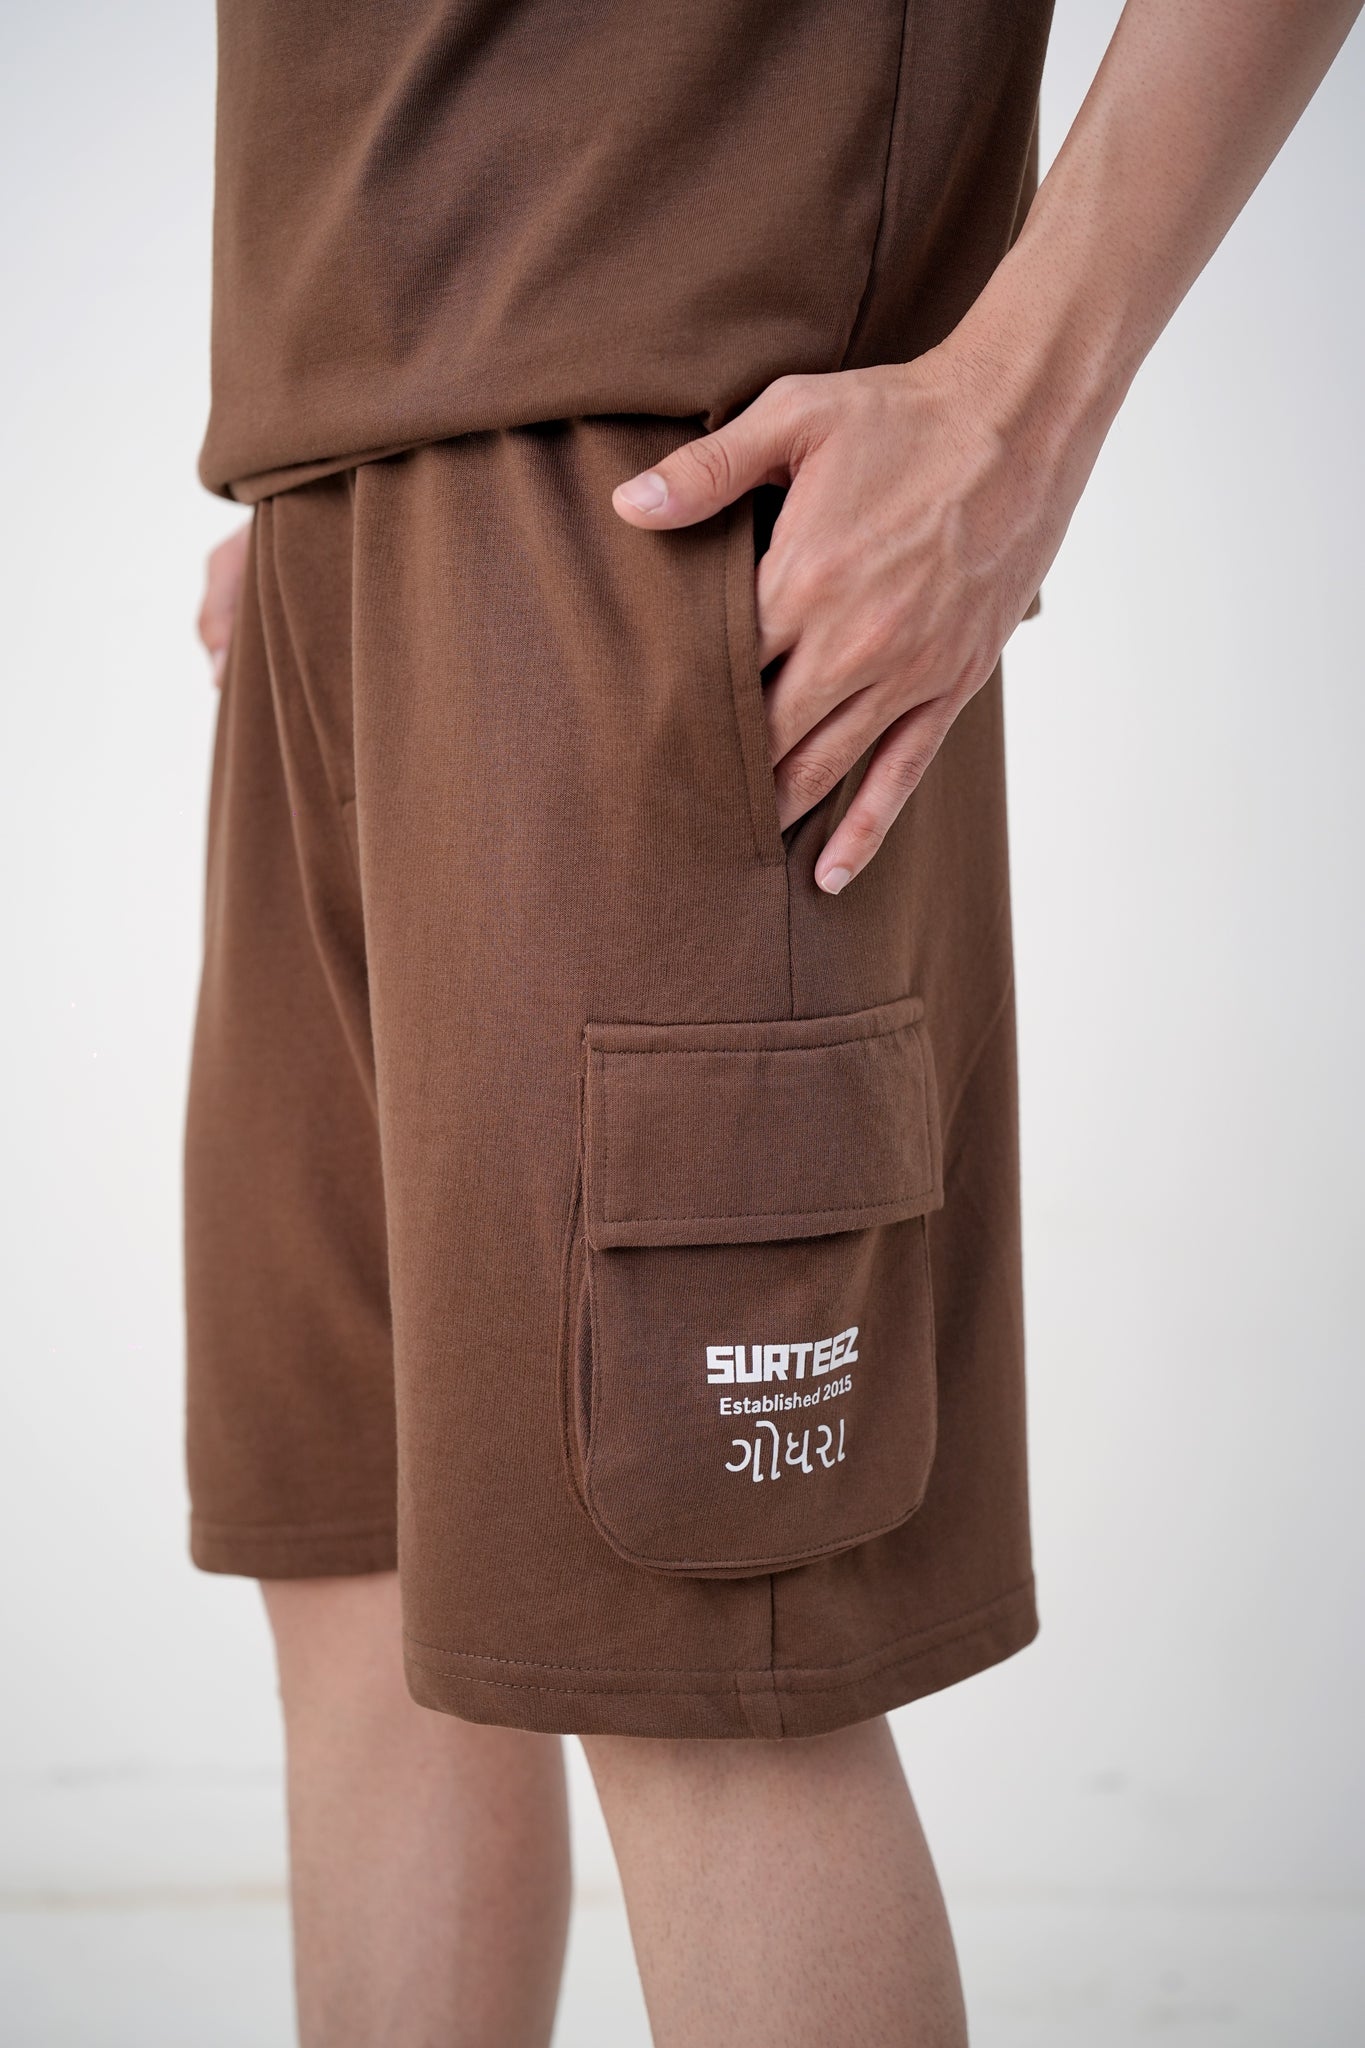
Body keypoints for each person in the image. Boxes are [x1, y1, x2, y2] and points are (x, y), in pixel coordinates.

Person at [188, 3, 1360, 2042]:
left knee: (707, 1679)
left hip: (664, 533)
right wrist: (350, 484)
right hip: (336, 509)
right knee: (362, 1586)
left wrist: (1018, 405)